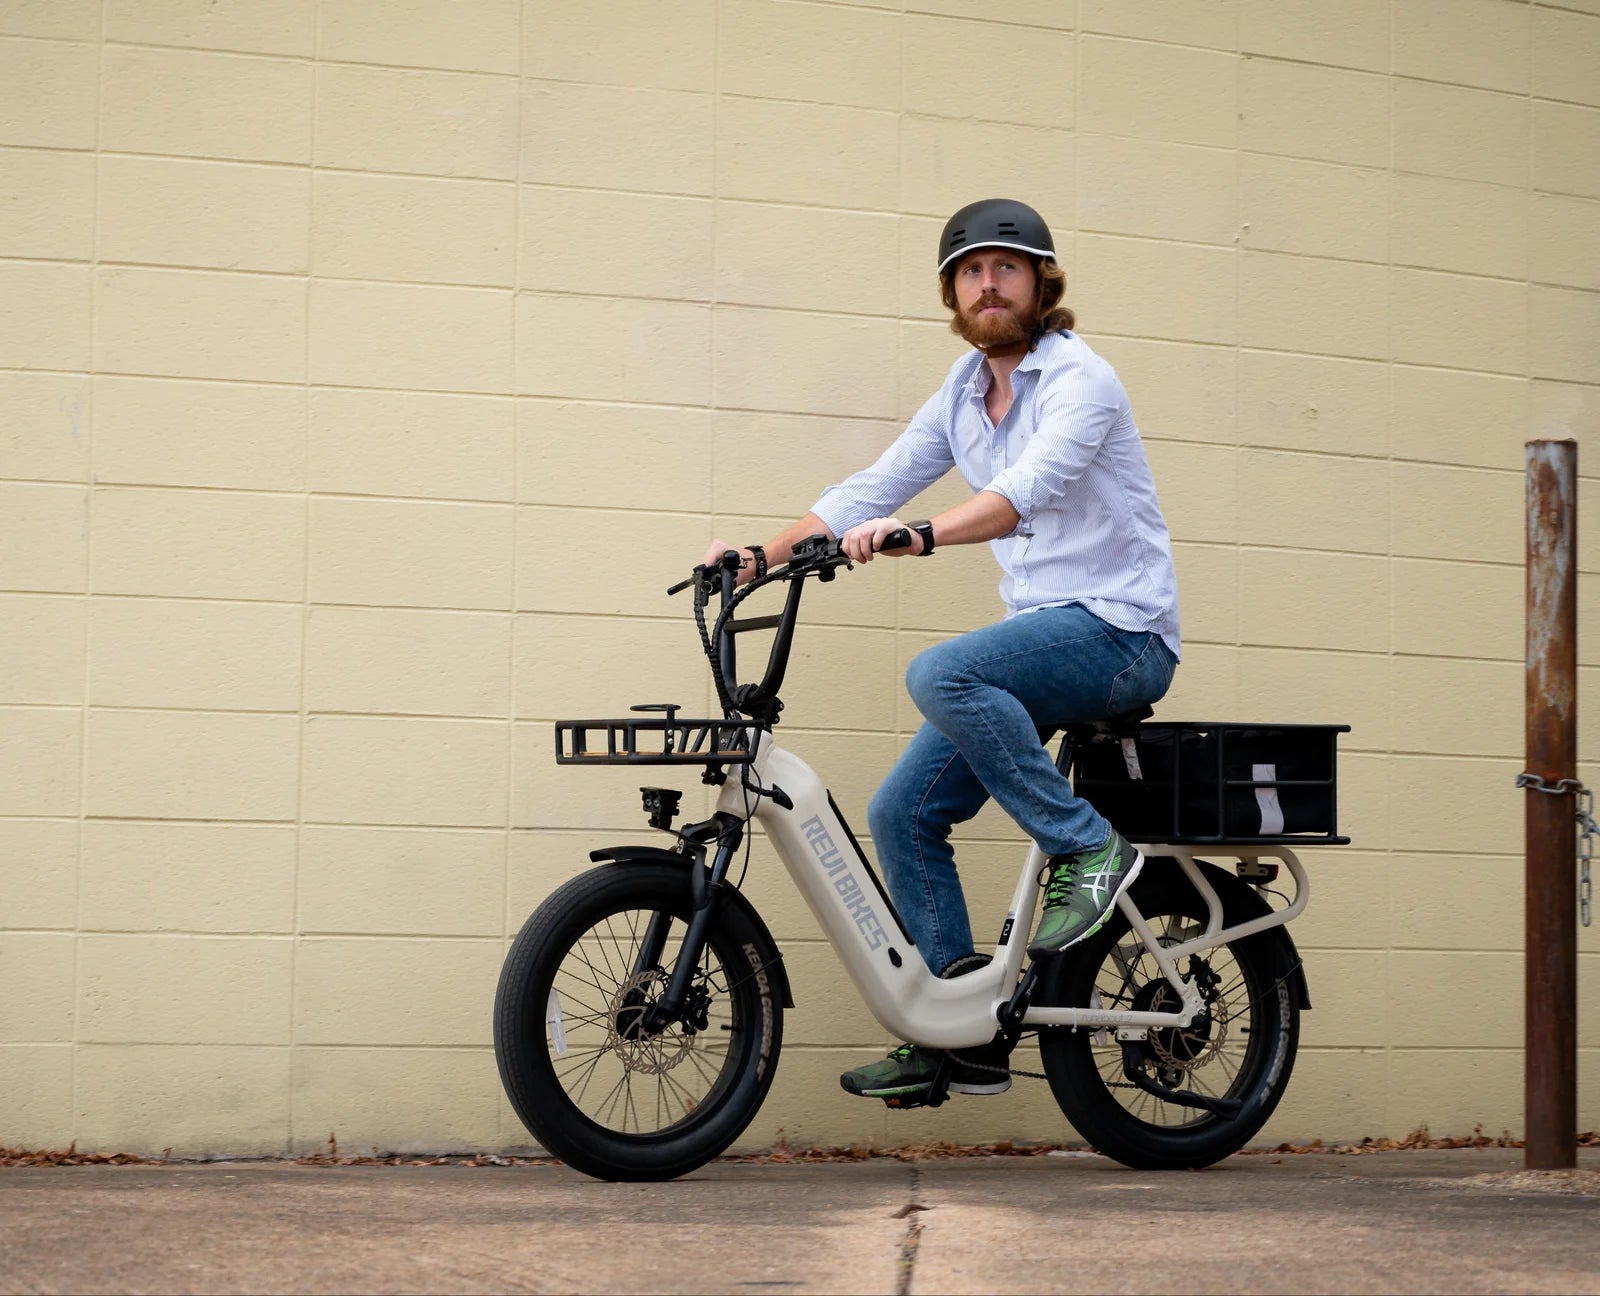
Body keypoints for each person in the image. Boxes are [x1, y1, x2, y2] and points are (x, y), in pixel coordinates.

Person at [701, 198, 1180, 1103]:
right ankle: (958, 1027)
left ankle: (1088, 848)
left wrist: (919, 537)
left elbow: (1026, 491)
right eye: (969, 271)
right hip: (1043, 640)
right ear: (951, 293)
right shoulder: (962, 392)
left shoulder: (1082, 381)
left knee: (941, 670)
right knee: (902, 814)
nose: (987, 283)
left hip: (1120, 632)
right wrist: (759, 557)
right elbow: (876, 482)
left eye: (1006, 267)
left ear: (1043, 282)